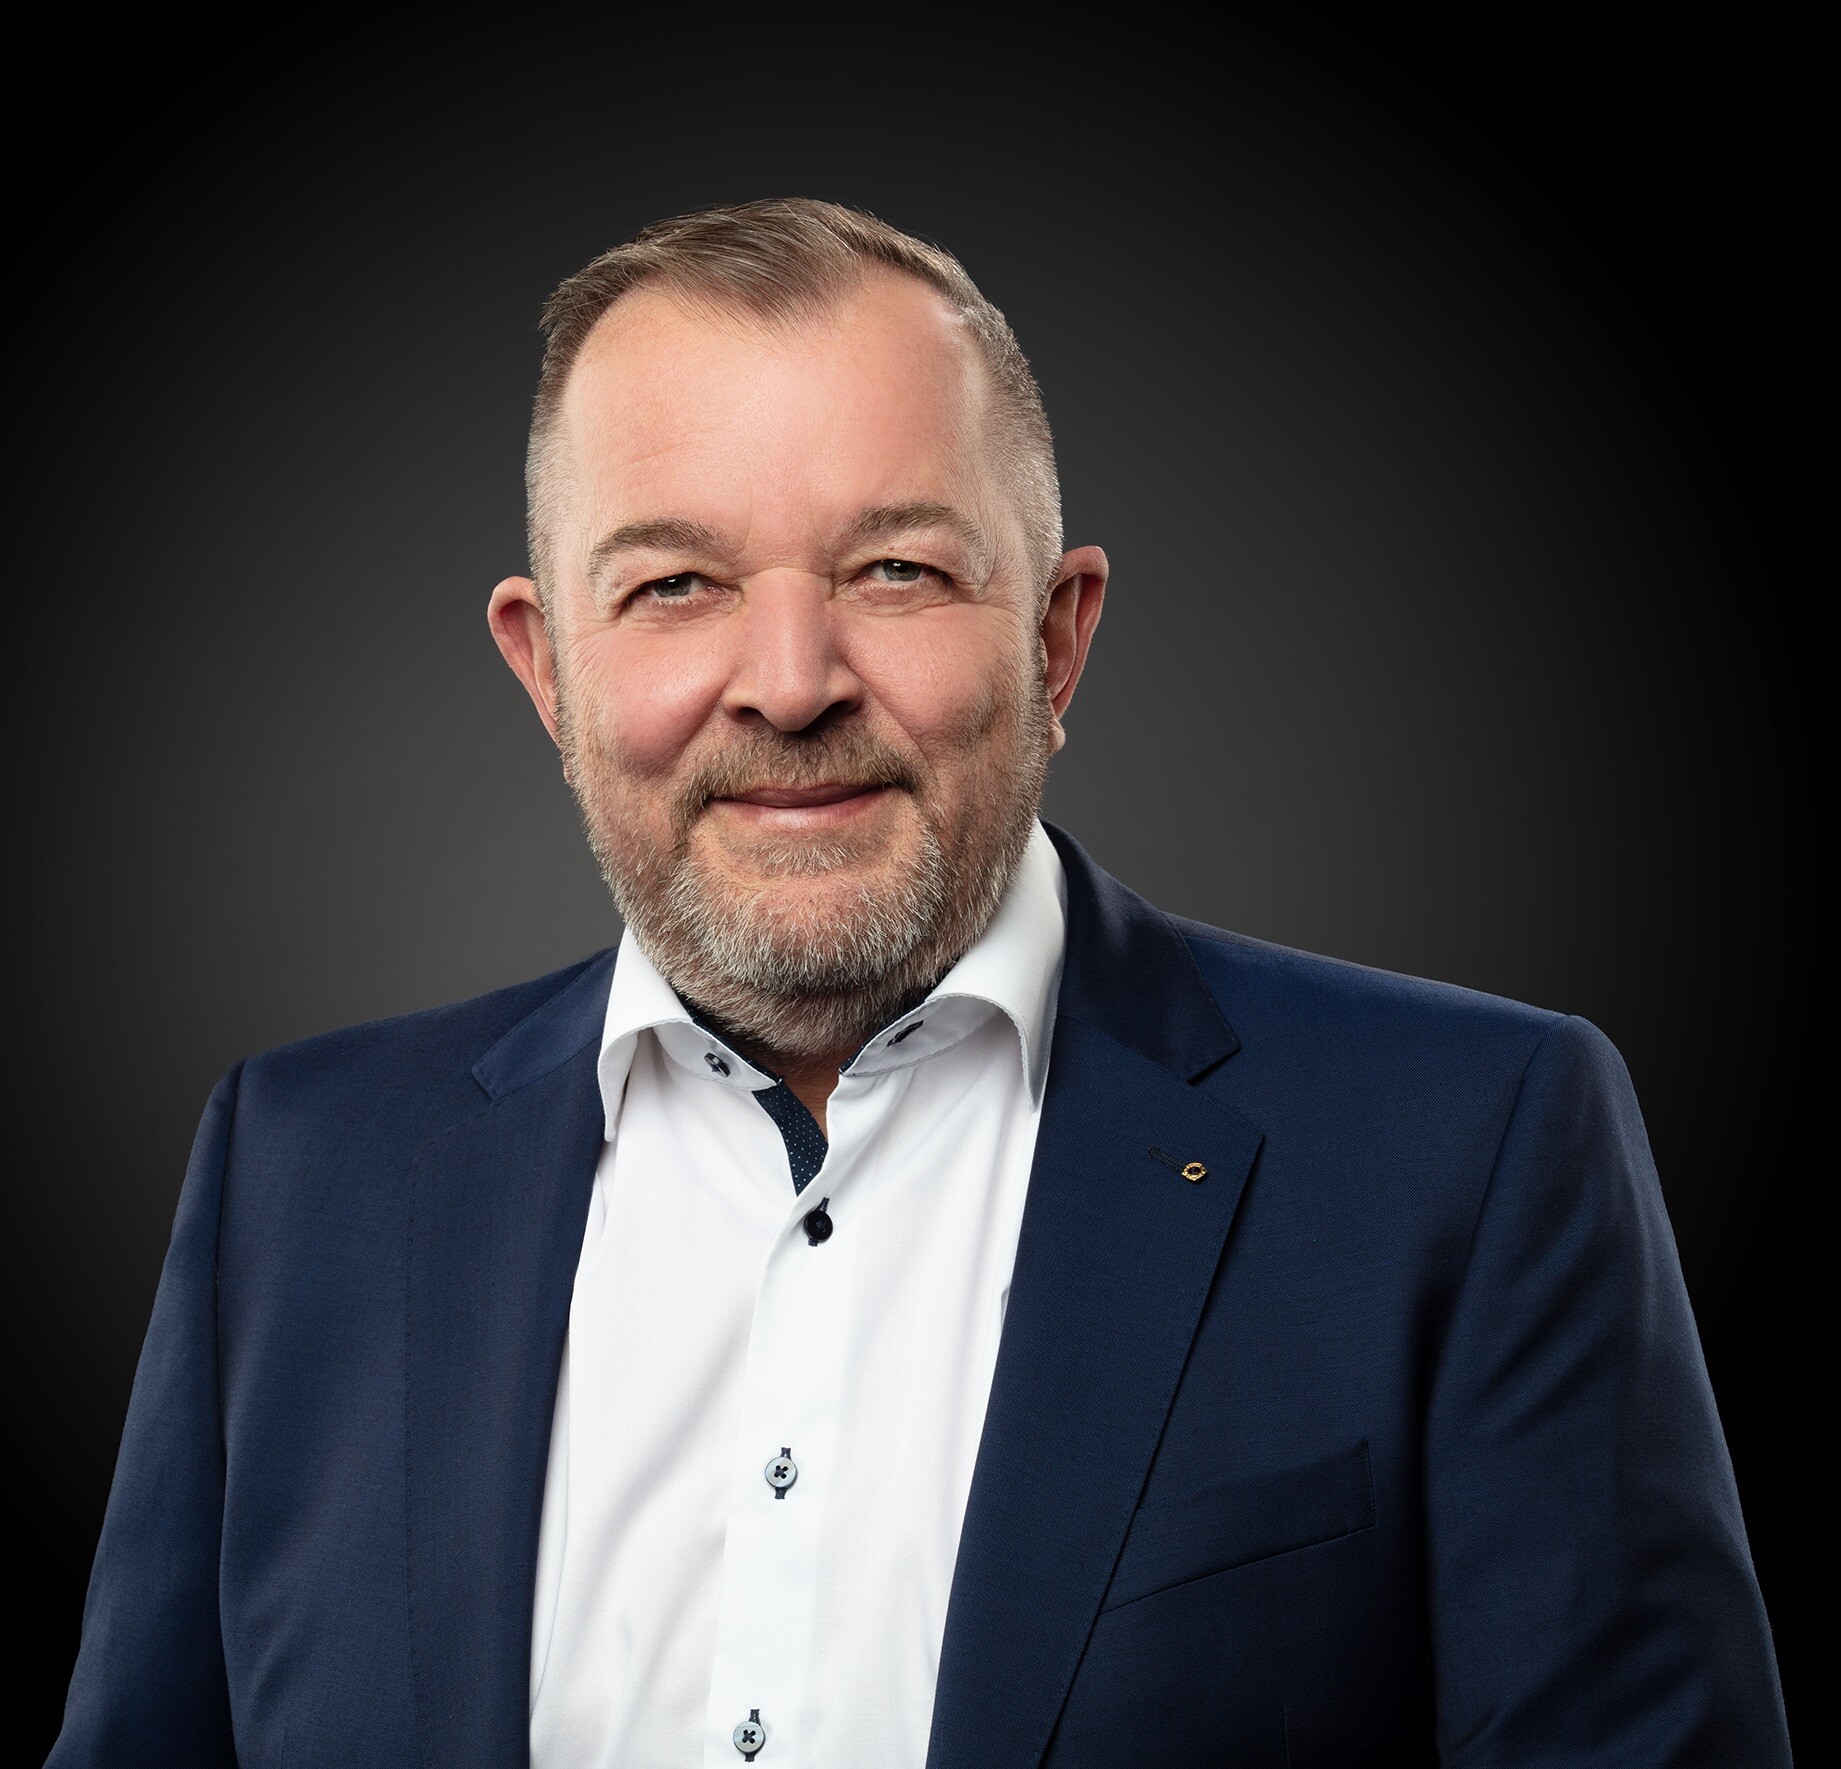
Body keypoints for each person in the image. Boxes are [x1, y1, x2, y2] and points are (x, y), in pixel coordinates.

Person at [50, 199, 1789, 1768]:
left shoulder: (1472, 1146)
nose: (788, 681)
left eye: (895, 569)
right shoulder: (296, 1175)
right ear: (548, 670)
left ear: (1055, 637)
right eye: (674, 584)